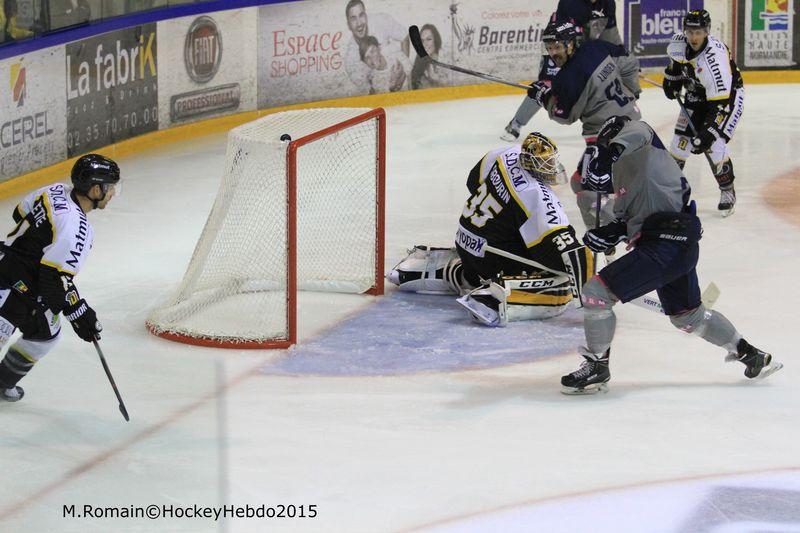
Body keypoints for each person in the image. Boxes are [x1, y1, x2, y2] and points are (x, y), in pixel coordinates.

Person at [560, 115, 780, 395]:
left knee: (596, 293)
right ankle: (751, 355)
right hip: (676, 245)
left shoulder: (639, 137)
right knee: (689, 317)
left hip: (665, 245)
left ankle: (597, 367)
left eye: (607, 144)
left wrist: (612, 149)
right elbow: (629, 222)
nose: (606, 151)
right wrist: (608, 234)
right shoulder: (627, 178)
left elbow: (635, 133)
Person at [387, 132, 594, 326]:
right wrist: (595, 288)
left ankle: (448, 273)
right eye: (545, 162)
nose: (550, 166)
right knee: (561, 286)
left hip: (466, 243)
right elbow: (561, 255)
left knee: (504, 239)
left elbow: (473, 181)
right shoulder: (538, 196)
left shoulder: (506, 153)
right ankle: (494, 298)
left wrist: (503, 220)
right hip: (491, 261)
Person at [0, 154, 119, 402]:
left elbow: (18, 212)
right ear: (95, 189)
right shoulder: (77, 228)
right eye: (110, 188)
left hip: (15, 271)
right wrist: (79, 313)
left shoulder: (53, 190)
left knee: (45, 334)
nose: (113, 193)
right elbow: (53, 279)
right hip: (11, 285)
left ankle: (2, 382)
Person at [524, 17, 641, 259]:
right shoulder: (597, 47)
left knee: (588, 193)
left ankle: (616, 242)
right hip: (634, 123)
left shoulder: (570, 76)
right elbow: (628, 61)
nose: (553, 53)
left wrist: (543, 98)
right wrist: (633, 91)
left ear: (571, 44)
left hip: (607, 139)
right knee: (579, 182)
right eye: (550, 47)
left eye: (558, 47)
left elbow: (564, 114)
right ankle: (617, 232)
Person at [501, 2, 630, 142]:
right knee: (545, 84)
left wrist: (620, 54)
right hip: (559, 43)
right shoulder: (570, 3)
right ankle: (516, 123)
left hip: (584, 44)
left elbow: (610, 31)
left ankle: (610, 122)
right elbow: (559, 34)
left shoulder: (608, 3)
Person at [662, 9, 744, 217]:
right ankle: (666, 193)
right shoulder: (679, 44)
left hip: (727, 99)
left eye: (698, 32)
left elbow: (720, 107)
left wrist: (707, 133)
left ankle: (727, 191)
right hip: (696, 93)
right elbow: (675, 66)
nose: (694, 37)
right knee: (679, 145)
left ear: (707, 31)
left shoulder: (714, 63)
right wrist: (672, 81)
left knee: (715, 145)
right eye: (690, 32)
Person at [344, 0, 409, 94]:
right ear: (348, 25)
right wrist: (392, 88)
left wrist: (402, 73)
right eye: (353, 18)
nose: (359, 23)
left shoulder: (380, 20)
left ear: (366, 16)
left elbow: (404, 37)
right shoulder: (351, 61)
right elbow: (372, 93)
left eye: (361, 15)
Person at [410, 24, 448, 89]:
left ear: (436, 40)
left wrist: (435, 78)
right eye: (422, 41)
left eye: (429, 39)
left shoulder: (445, 60)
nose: (425, 44)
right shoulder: (418, 62)